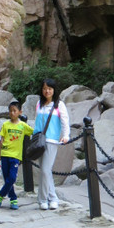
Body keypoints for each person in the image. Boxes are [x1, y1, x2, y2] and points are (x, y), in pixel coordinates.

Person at [34, 78, 70, 210]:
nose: (47, 91)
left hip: (51, 141)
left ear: (54, 90)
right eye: (44, 88)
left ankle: (43, 199)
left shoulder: (59, 105)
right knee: (45, 171)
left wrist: (66, 136)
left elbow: (65, 121)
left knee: (45, 170)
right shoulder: (39, 104)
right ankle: (53, 198)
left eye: (49, 89)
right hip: (39, 141)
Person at [0, 100, 34, 210]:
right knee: (7, 178)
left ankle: (1, 194)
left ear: (20, 112)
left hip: (16, 156)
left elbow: (34, 132)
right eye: (10, 111)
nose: (12, 113)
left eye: (14, 111)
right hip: (5, 154)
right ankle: (13, 199)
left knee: (12, 178)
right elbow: (1, 141)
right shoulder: (5, 125)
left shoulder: (23, 126)